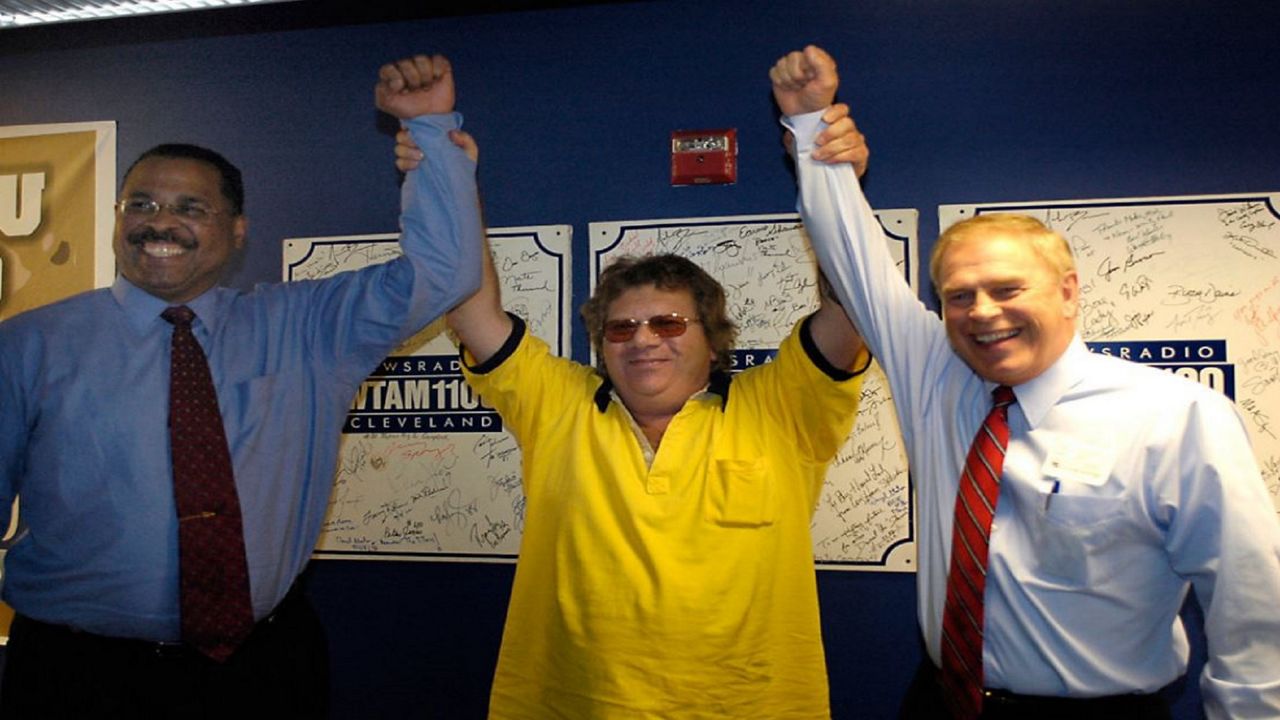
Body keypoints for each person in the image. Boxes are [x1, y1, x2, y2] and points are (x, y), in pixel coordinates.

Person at [772, 44, 1280, 720]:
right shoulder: (940, 376)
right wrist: (810, 128)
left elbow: (1250, 603)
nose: (982, 313)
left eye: (1007, 288)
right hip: (939, 702)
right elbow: (854, 259)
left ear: (1069, 292)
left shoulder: (1175, 415)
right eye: (959, 296)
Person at [0, 54, 482, 717]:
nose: (159, 223)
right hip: (76, 676)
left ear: (235, 233)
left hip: (260, 672)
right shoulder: (28, 344)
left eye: (189, 208)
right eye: (139, 203)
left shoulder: (308, 327)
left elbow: (445, 273)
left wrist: (430, 129)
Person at [395, 93, 870, 720]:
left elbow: (850, 311)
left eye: (668, 323)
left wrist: (827, 175)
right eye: (621, 328)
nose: (643, 339)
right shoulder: (558, 403)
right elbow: (472, 309)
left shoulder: (780, 406)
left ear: (711, 334)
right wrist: (450, 174)